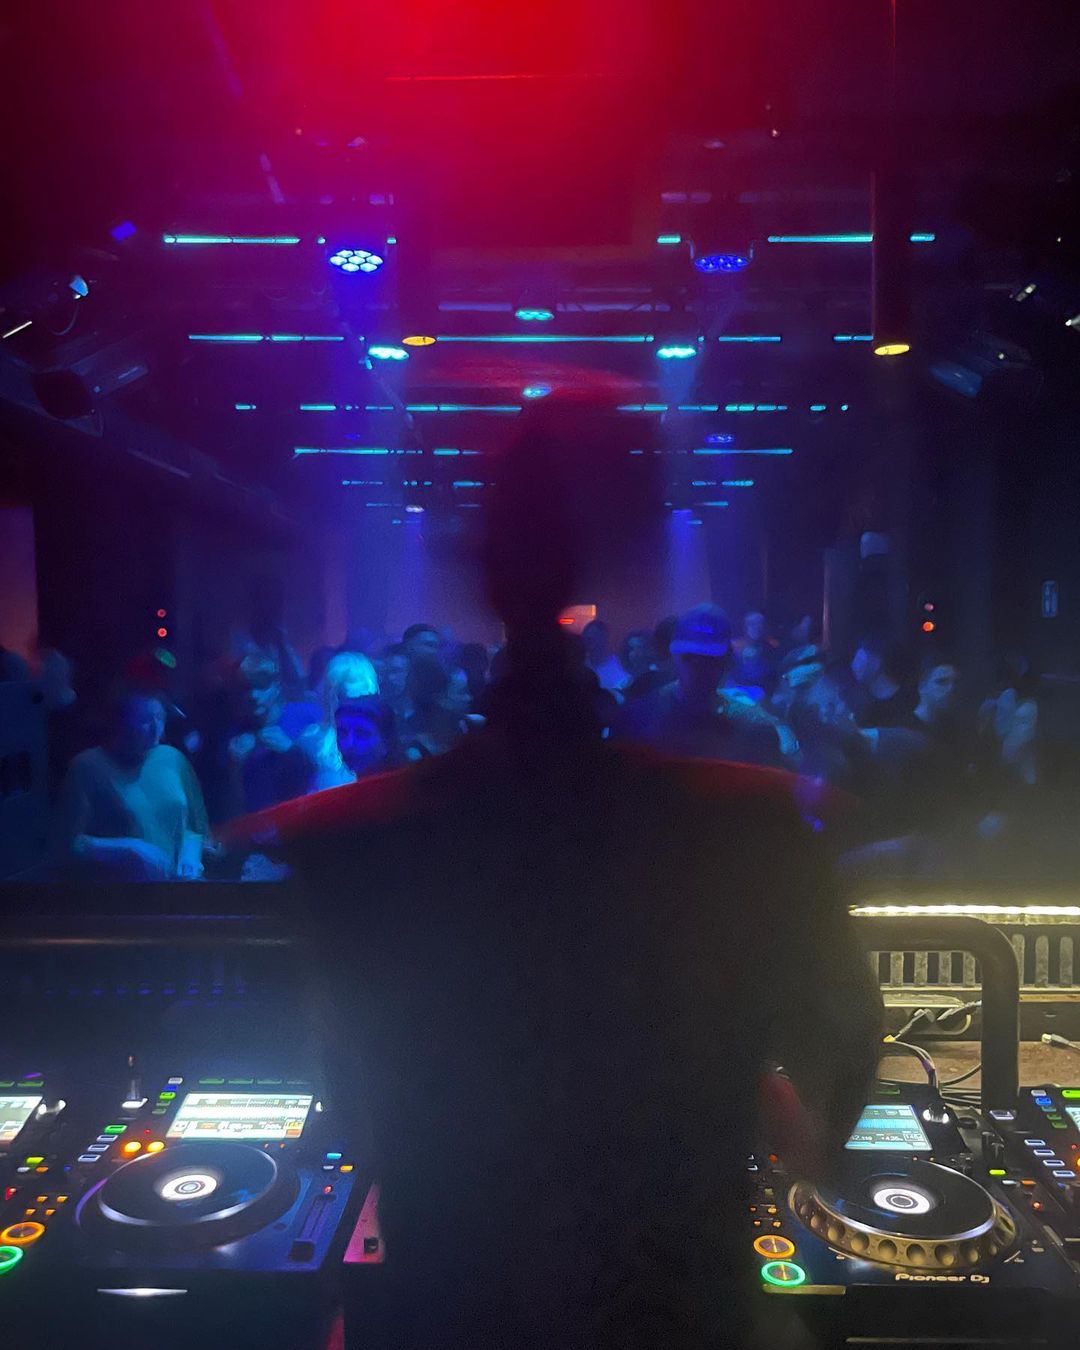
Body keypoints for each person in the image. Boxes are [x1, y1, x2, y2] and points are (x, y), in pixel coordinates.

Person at [233, 407, 879, 1349]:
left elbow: (353, 1106)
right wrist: (746, 1088)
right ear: (613, 556)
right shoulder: (752, 826)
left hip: (454, 1317)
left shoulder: (353, 844)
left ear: (480, 568)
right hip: (678, 1318)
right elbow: (846, 1046)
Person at [56, 692, 207, 880]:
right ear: (121, 720)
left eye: (159, 717)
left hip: (173, 890)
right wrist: (127, 849)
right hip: (117, 892)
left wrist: (190, 857)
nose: (155, 728)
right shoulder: (87, 766)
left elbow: (195, 826)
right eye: (144, 719)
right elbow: (67, 845)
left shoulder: (173, 758)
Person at [613, 604, 787, 767]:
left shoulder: (753, 728)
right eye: (690, 658)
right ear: (673, 656)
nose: (699, 668)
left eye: (710, 660)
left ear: (726, 661)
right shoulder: (636, 719)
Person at [845, 635, 916, 728]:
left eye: (860, 659)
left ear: (876, 663)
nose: (853, 665)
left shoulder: (909, 701)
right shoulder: (863, 706)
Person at [582, 618, 631, 693]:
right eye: (588, 639)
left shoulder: (621, 666)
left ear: (606, 639)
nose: (591, 644)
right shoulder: (580, 666)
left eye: (594, 638)